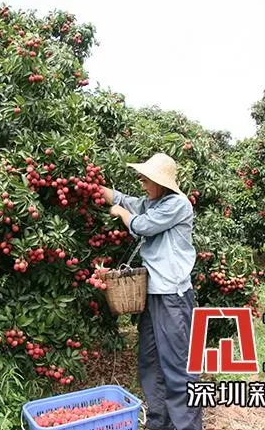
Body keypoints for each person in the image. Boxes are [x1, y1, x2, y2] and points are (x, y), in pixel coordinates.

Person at [101, 153, 202, 430]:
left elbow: (142, 225)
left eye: (146, 180)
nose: (142, 184)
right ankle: (159, 423)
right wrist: (91, 187)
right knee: (151, 362)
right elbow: (125, 200)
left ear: (161, 182)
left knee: (177, 365)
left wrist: (122, 214)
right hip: (153, 295)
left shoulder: (178, 204)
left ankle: (186, 426)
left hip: (172, 297)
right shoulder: (152, 203)